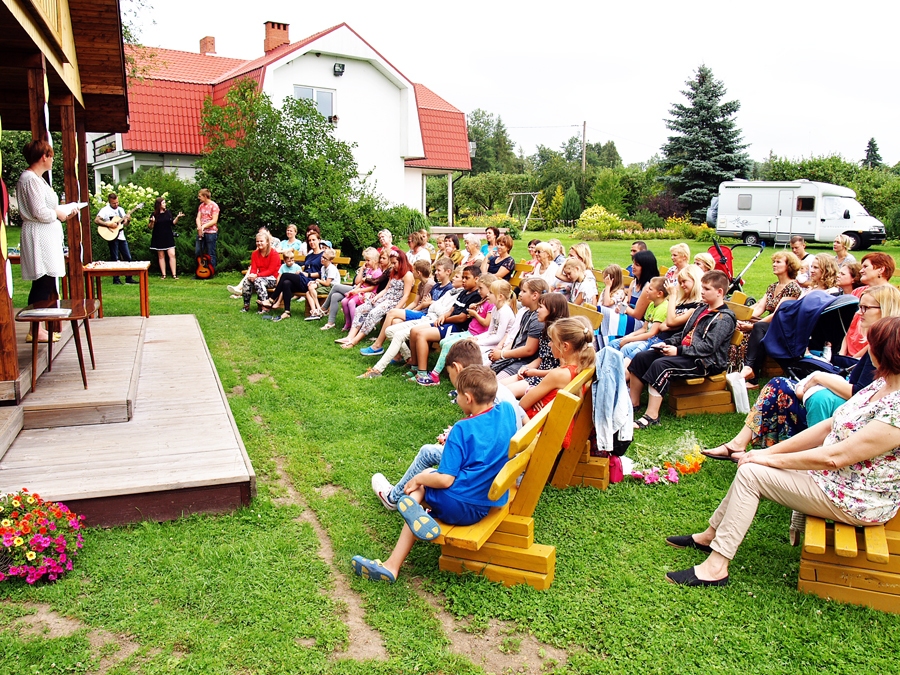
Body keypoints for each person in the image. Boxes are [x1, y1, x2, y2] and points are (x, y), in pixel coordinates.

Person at [664, 315, 900, 587]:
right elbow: (828, 426)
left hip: (855, 498)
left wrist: (769, 457)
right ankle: (709, 537)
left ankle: (716, 567)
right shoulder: (881, 385)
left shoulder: (895, 408)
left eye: (873, 344)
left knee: (752, 474)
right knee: (754, 466)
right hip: (834, 480)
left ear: (885, 352)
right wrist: (766, 454)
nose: (867, 349)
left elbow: (835, 457)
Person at [352, 365, 517, 583]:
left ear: (468, 398)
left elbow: (445, 479)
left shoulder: (462, 429)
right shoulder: (506, 411)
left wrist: (418, 477)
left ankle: (392, 565)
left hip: (460, 506)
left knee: (422, 482)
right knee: (430, 473)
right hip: (485, 503)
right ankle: (418, 512)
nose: (456, 398)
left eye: (456, 394)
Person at [703, 285, 900, 462]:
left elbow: (859, 392)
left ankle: (774, 453)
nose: (859, 313)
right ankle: (739, 444)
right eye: (860, 307)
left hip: (857, 408)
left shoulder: (887, 348)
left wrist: (818, 378)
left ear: (885, 308)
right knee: (777, 385)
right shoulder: (877, 342)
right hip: (847, 395)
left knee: (789, 389)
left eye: (865, 308)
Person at [370, 339, 527, 509]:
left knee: (427, 453)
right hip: (506, 464)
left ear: (457, 368)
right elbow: (521, 420)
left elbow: (477, 449)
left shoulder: (488, 400)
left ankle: (394, 498)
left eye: (449, 374)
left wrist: (457, 441)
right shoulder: (498, 391)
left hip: (488, 475)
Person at [629, 270, 736, 429]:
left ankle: (651, 416)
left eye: (707, 289)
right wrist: (668, 343)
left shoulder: (724, 318)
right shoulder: (702, 309)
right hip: (688, 353)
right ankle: (633, 404)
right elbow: (685, 334)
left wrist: (678, 351)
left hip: (705, 362)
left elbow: (708, 347)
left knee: (661, 365)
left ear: (720, 292)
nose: (703, 292)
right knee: (642, 357)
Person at [16, 139, 77, 344]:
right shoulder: (29, 179)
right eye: (51, 156)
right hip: (38, 235)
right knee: (42, 281)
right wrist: (58, 213)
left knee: (48, 280)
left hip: (47, 234)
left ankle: (40, 326)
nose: (52, 160)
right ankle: (36, 329)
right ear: (44, 156)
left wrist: (65, 211)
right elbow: (39, 211)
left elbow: (47, 208)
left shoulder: (39, 179)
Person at [357, 264, 462, 380]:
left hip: (432, 321)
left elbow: (442, 311)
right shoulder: (450, 292)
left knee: (398, 334)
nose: (453, 278)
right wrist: (433, 305)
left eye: (457, 277)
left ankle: (377, 370)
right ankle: (409, 357)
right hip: (427, 317)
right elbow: (432, 307)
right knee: (389, 331)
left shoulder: (456, 295)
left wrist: (433, 304)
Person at [737, 251, 803, 386]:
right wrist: (742, 318)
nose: (774, 264)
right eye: (774, 261)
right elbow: (759, 309)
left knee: (758, 327)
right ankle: (735, 367)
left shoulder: (792, 287)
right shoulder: (773, 286)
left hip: (784, 327)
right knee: (746, 327)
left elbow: (778, 313)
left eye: (778, 262)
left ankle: (751, 373)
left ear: (788, 266)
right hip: (770, 324)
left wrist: (752, 325)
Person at [408, 265, 482, 385]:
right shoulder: (463, 292)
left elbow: (462, 318)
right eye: (462, 277)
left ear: (477, 279)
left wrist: (446, 320)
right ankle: (415, 368)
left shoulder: (476, 296)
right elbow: (452, 309)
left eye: (466, 278)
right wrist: (444, 316)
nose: (463, 280)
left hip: (457, 327)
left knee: (421, 335)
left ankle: (422, 373)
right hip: (447, 322)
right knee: (414, 331)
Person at [424, 274, 496, 385]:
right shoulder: (482, 300)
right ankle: (450, 372)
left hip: (476, 335)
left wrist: (474, 314)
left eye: (481, 288)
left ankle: (434, 375)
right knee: (444, 342)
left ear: (490, 288)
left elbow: (486, 323)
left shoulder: (491, 304)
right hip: (469, 331)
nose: (478, 291)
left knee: (448, 345)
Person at [519, 316, 596, 420]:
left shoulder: (559, 374)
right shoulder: (584, 367)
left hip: (533, 429)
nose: (550, 344)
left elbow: (522, 404)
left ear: (565, 346)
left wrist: (531, 392)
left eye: (552, 340)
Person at [339, 249, 414, 348]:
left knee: (373, 313)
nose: (393, 265)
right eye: (392, 263)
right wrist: (377, 297)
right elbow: (386, 289)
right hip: (384, 298)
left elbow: (406, 296)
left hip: (394, 302)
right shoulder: (393, 272)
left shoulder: (407, 275)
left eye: (395, 263)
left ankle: (355, 341)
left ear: (402, 261)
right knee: (360, 309)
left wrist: (396, 310)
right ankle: (350, 336)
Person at [359, 259, 437, 354]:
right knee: (395, 321)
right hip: (418, 311)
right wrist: (403, 311)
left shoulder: (429, 284)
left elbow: (423, 306)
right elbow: (415, 302)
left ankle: (377, 345)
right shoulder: (421, 284)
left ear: (419, 273)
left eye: (414, 270)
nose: (412, 272)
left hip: (424, 314)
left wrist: (404, 312)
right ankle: (401, 355)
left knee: (392, 313)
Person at [501, 291, 569, 397]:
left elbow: (562, 369)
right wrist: (526, 367)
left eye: (541, 307)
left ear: (553, 310)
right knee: (499, 386)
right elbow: (541, 358)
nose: (537, 310)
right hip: (537, 372)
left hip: (547, 378)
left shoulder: (560, 336)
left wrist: (534, 372)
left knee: (506, 392)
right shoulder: (545, 330)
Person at [488, 278, 548, 377]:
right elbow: (517, 338)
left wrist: (503, 354)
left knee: (496, 382)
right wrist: (502, 352)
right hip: (514, 356)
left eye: (524, 291)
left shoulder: (538, 320)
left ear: (535, 295)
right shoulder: (527, 313)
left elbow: (529, 350)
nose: (519, 294)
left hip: (524, 361)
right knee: (484, 371)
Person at [607, 277, 669, 367]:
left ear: (659, 294)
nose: (646, 290)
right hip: (643, 336)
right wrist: (629, 336)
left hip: (650, 341)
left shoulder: (662, 308)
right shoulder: (652, 304)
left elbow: (651, 334)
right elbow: (644, 328)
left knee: (625, 349)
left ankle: (617, 372)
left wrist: (629, 339)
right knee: (612, 344)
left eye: (650, 289)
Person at [320, 247, 382, 331]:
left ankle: (323, 309)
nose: (366, 262)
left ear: (374, 260)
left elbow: (370, 287)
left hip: (363, 293)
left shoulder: (377, 272)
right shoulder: (368, 270)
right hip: (357, 289)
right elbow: (358, 282)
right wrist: (362, 270)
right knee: (335, 296)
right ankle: (331, 323)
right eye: (365, 260)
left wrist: (356, 290)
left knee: (336, 287)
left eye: (368, 260)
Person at [95, 192, 137, 285]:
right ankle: (116, 279)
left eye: (117, 202)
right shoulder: (105, 210)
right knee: (115, 257)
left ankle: (129, 278)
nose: (116, 204)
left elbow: (125, 224)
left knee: (128, 257)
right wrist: (108, 224)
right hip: (111, 235)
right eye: (114, 203)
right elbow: (96, 220)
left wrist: (128, 220)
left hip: (121, 235)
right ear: (109, 202)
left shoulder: (121, 210)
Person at [476, 279, 517, 362]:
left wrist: (478, 342)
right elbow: (490, 331)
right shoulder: (495, 308)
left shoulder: (504, 312)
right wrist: (476, 338)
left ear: (500, 297)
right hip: (493, 341)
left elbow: (499, 337)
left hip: (502, 345)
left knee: (476, 352)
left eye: (491, 293)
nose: (487, 294)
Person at [239, 233, 280, 313]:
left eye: (261, 241)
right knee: (246, 282)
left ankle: (265, 306)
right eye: (257, 241)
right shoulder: (254, 254)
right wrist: (252, 275)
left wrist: (257, 276)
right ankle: (246, 306)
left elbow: (271, 271)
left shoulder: (273, 253)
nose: (259, 243)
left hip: (273, 278)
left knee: (258, 281)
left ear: (267, 242)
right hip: (260, 277)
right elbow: (253, 268)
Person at [148, 196, 182, 279]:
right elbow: (150, 227)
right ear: (159, 205)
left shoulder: (168, 212)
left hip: (168, 236)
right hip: (158, 236)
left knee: (172, 254)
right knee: (161, 255)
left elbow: (172, 223)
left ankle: (174, 275)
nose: (165, 204)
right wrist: (152, 222)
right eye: (163, 203)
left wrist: (177, 217)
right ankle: (164, 275)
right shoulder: (154, 214)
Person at [305, 248, 340, 320]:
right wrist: (314, 282)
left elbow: (327, 283)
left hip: (333, 287)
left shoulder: (331, 269)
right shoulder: (323, 268)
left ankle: (319, 309)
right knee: (308, 292)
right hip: (325, 285)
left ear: (330, 260)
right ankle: (314, 311)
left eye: (325, 258)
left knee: (311, 288)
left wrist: (317, 280)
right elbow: (322, 280)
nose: (322, 259)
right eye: (322, 257)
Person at [195, 188, 219, 275]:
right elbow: (198, 217)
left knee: (210, 252)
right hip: (201, 231)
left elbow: (214, 220)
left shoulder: (214, 206)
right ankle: (199, 272)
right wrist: (199, 227)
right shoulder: (201, 206)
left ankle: (211, 271)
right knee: (198, 251)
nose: (199, 198)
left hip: (211, 232)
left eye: (200, 196)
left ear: (205, 196)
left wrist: (204, 226)